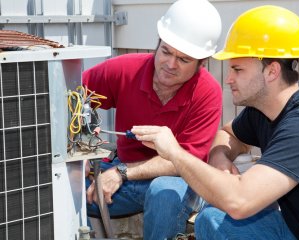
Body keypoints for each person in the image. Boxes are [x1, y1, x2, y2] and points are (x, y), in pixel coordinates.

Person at [131, 5, 299, 240]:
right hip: (294, 227)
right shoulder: (264, 109)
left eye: (237, 69)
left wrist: (174, 152)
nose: (228, 79)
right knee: (212, 220)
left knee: (231, 210)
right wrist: (220, 159)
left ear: (271, 72)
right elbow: (229, 133)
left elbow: (240, 201)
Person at [82, 0, 222, 238]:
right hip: (121, 177)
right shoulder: (125, 70)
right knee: (62, 189)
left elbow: (185, 161)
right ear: (157, 43)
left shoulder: (208, 92)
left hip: (176, 182)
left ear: (202, 62)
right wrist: (78, 153)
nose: (170, 64)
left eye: (184, 59)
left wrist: (120, 173)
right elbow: (69, 97)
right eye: (166, 51)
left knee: (164, 192)